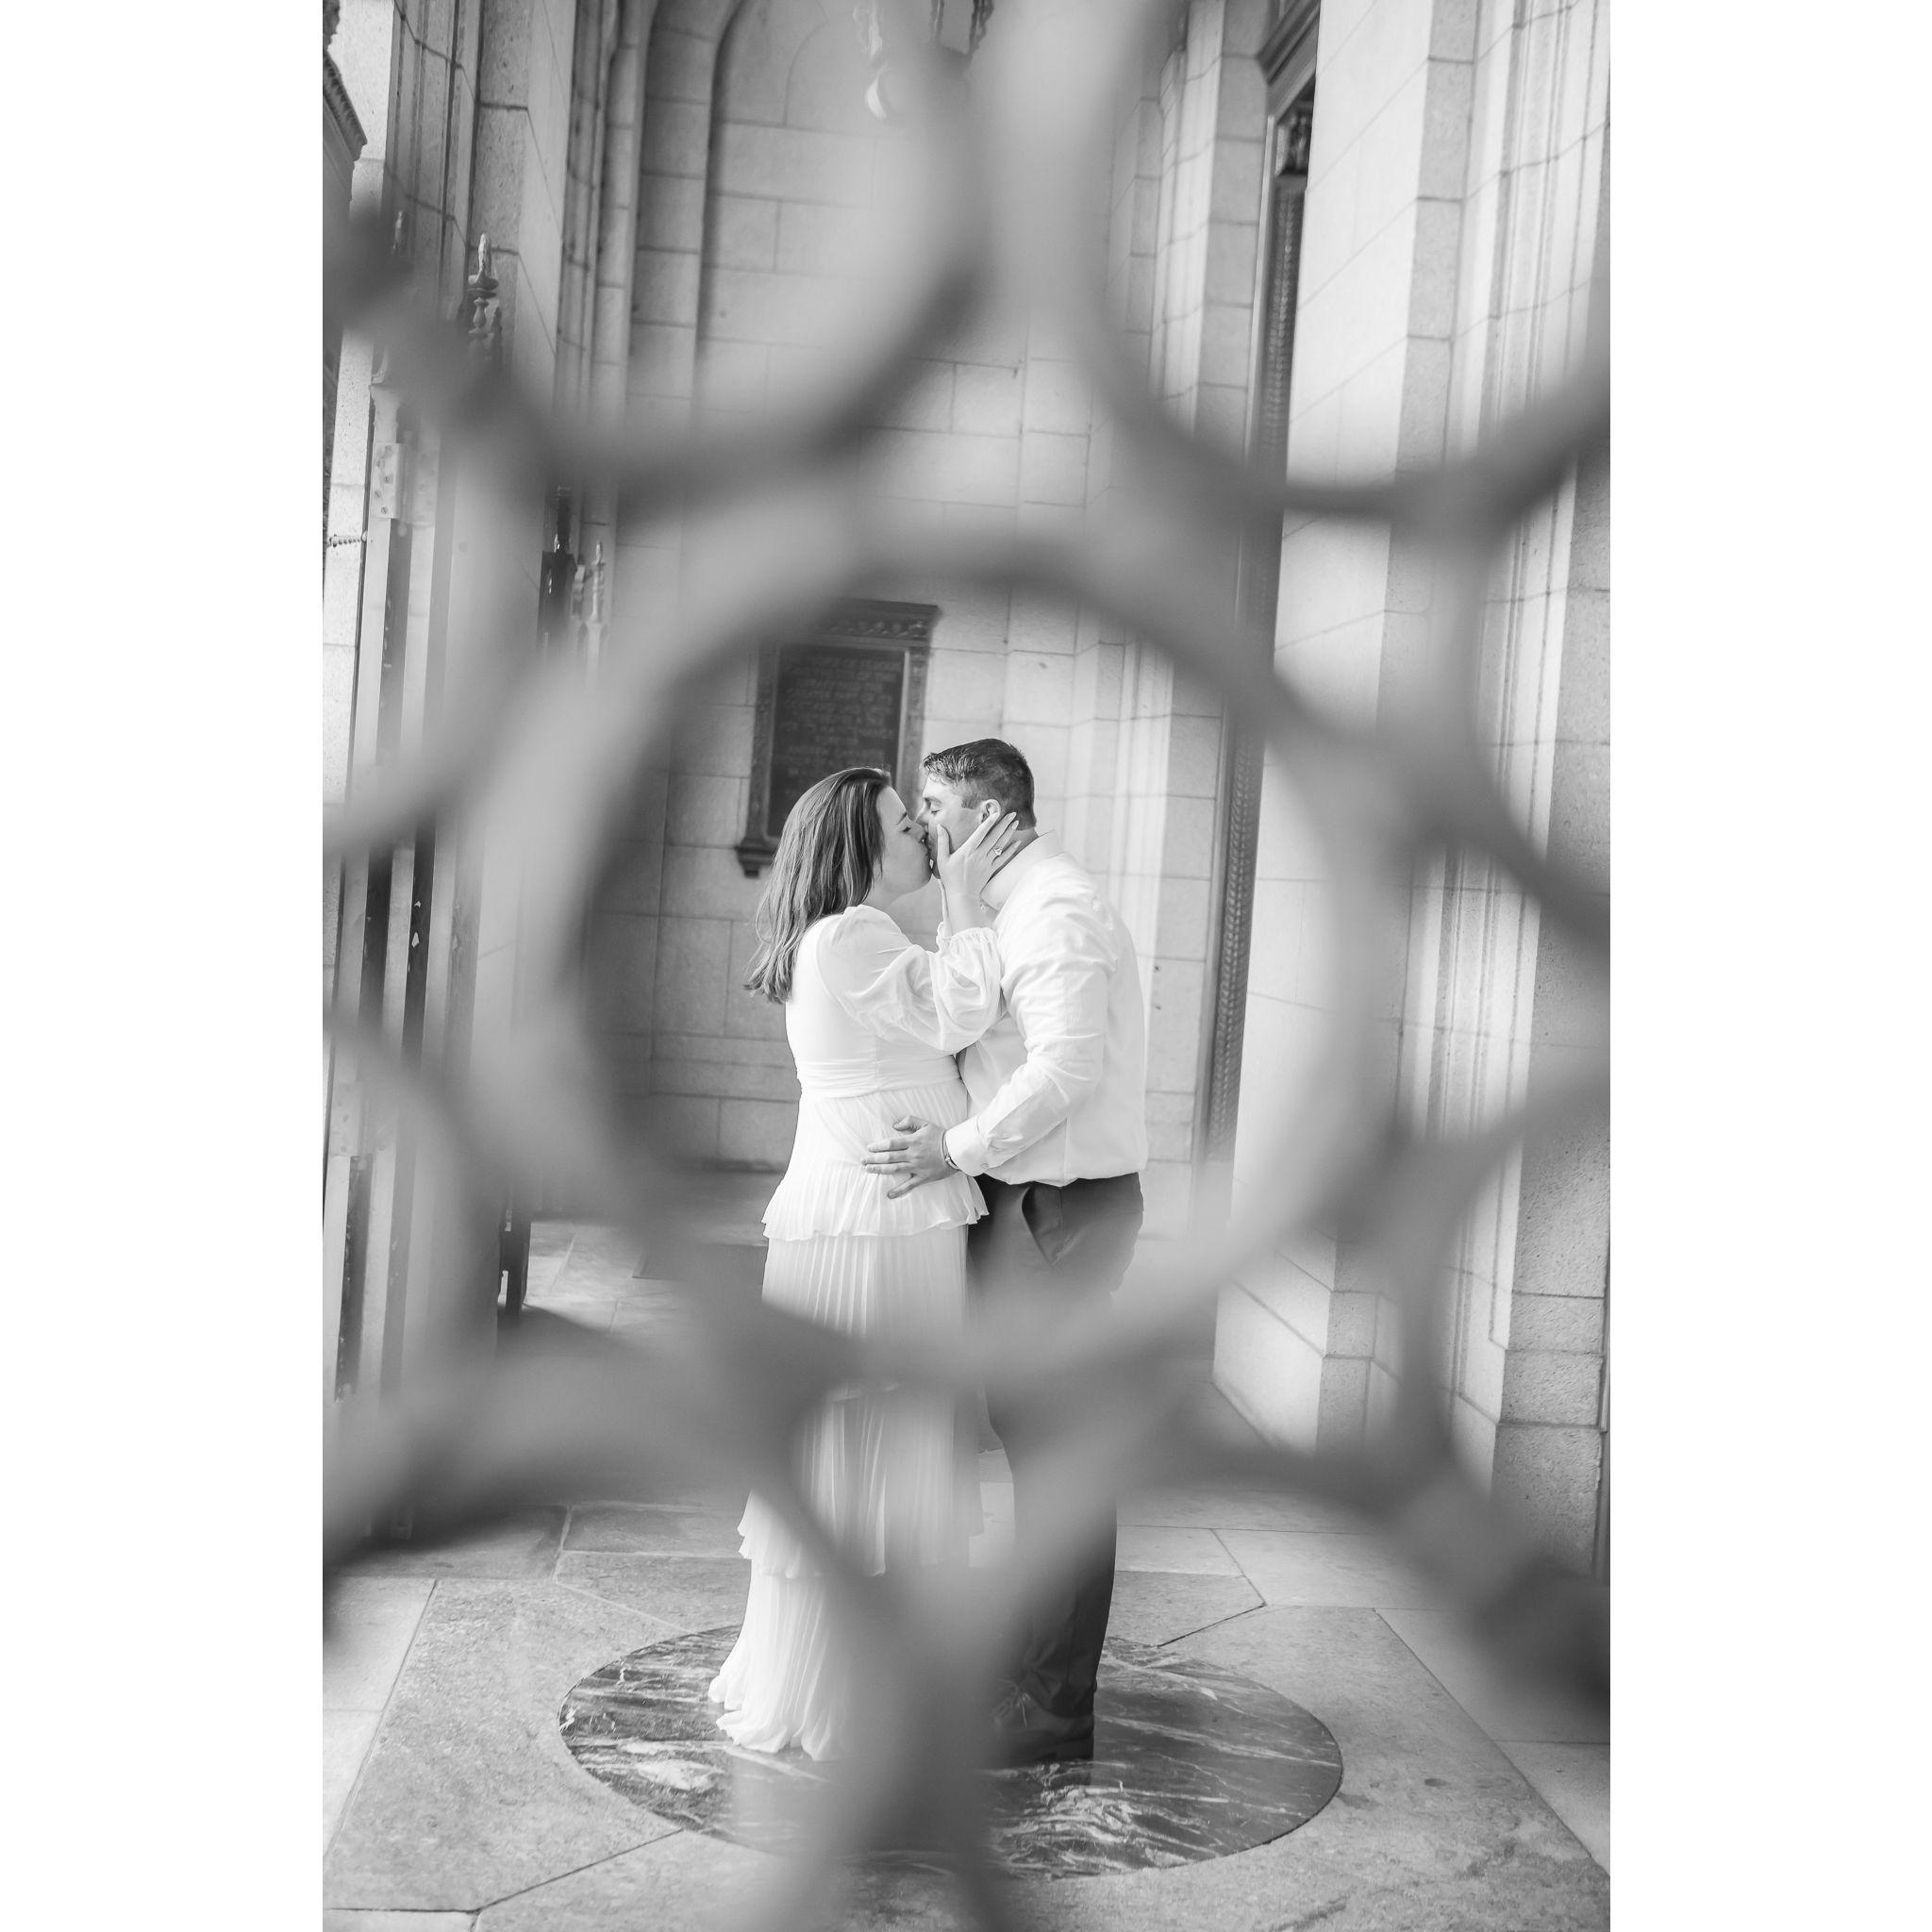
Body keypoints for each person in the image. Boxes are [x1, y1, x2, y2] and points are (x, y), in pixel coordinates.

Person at [708, 766, 1019, 1760]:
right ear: (857, 847)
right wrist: (965, 899)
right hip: (874, 1230)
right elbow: (959, 1011)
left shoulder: (849, 935)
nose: (923, 835)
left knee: (874, 1448)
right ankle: (846, 1691)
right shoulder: (850, 935)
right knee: (871, 1447)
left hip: (877, 1219)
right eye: (903, 824)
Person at [862, 738, 1149, 1767]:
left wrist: (951, 1150)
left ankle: (1053, 1711)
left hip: (1055, 1214)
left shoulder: (1056, 909)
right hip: (1023, 1204)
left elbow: (1063, 1070)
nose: (922, 821)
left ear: (987, 816)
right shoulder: (1002, 907)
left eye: (934, 805)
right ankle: (1027, 1670)